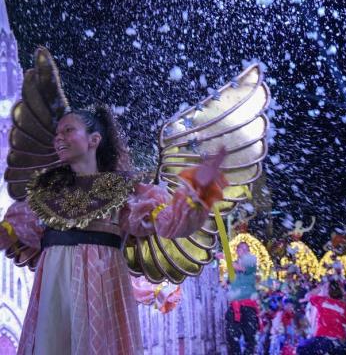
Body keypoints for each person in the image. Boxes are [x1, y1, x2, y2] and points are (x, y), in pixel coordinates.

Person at [0, 107, 227, 355]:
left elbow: (172, 223)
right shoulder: (44, 194)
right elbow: (9, 233)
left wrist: (200, 189)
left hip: (101, 284)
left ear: (94, 140)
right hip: (55, 289)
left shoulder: (124, 192)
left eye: (68, 130)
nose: (59, 138)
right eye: (57, 134)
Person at [296, 280, 346, 355]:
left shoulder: (321, 301)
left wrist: (319, 289)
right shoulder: (343, 307)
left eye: (324, 288)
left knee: (301, 349)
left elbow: (309, 296)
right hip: (339, 342)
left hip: (323, 340)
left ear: (327, 291)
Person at [225, 242, 260, 355]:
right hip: (234, 305)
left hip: (248, 305)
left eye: (246, 249)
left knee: (250, 336)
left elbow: (242, 268)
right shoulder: (233, 265)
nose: (244, 251)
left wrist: (225, 257)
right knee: (231, 336)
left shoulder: (251, 261)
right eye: (241, 249)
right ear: (237, 251)